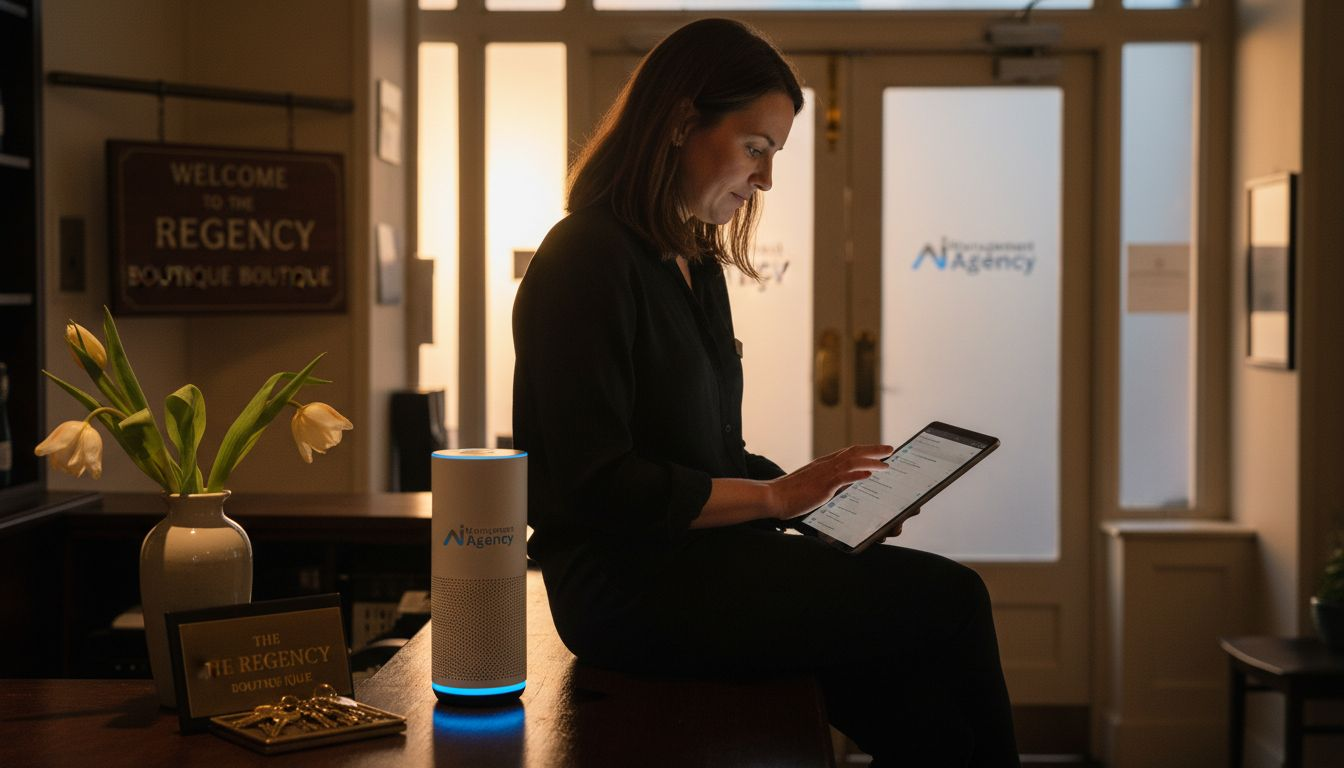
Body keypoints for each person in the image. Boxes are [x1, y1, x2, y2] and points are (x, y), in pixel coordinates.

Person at [512, 18, 1019, 767]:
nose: (766, 179)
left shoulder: (693, 264)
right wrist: (780, 500)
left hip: (699, 565)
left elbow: (710, 453)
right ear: (682, 122)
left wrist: (823, 499)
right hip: (625, 591)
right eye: (758, 148)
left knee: (919, 706)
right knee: (953, 601)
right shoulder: (584, 258)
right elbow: (600, 487)